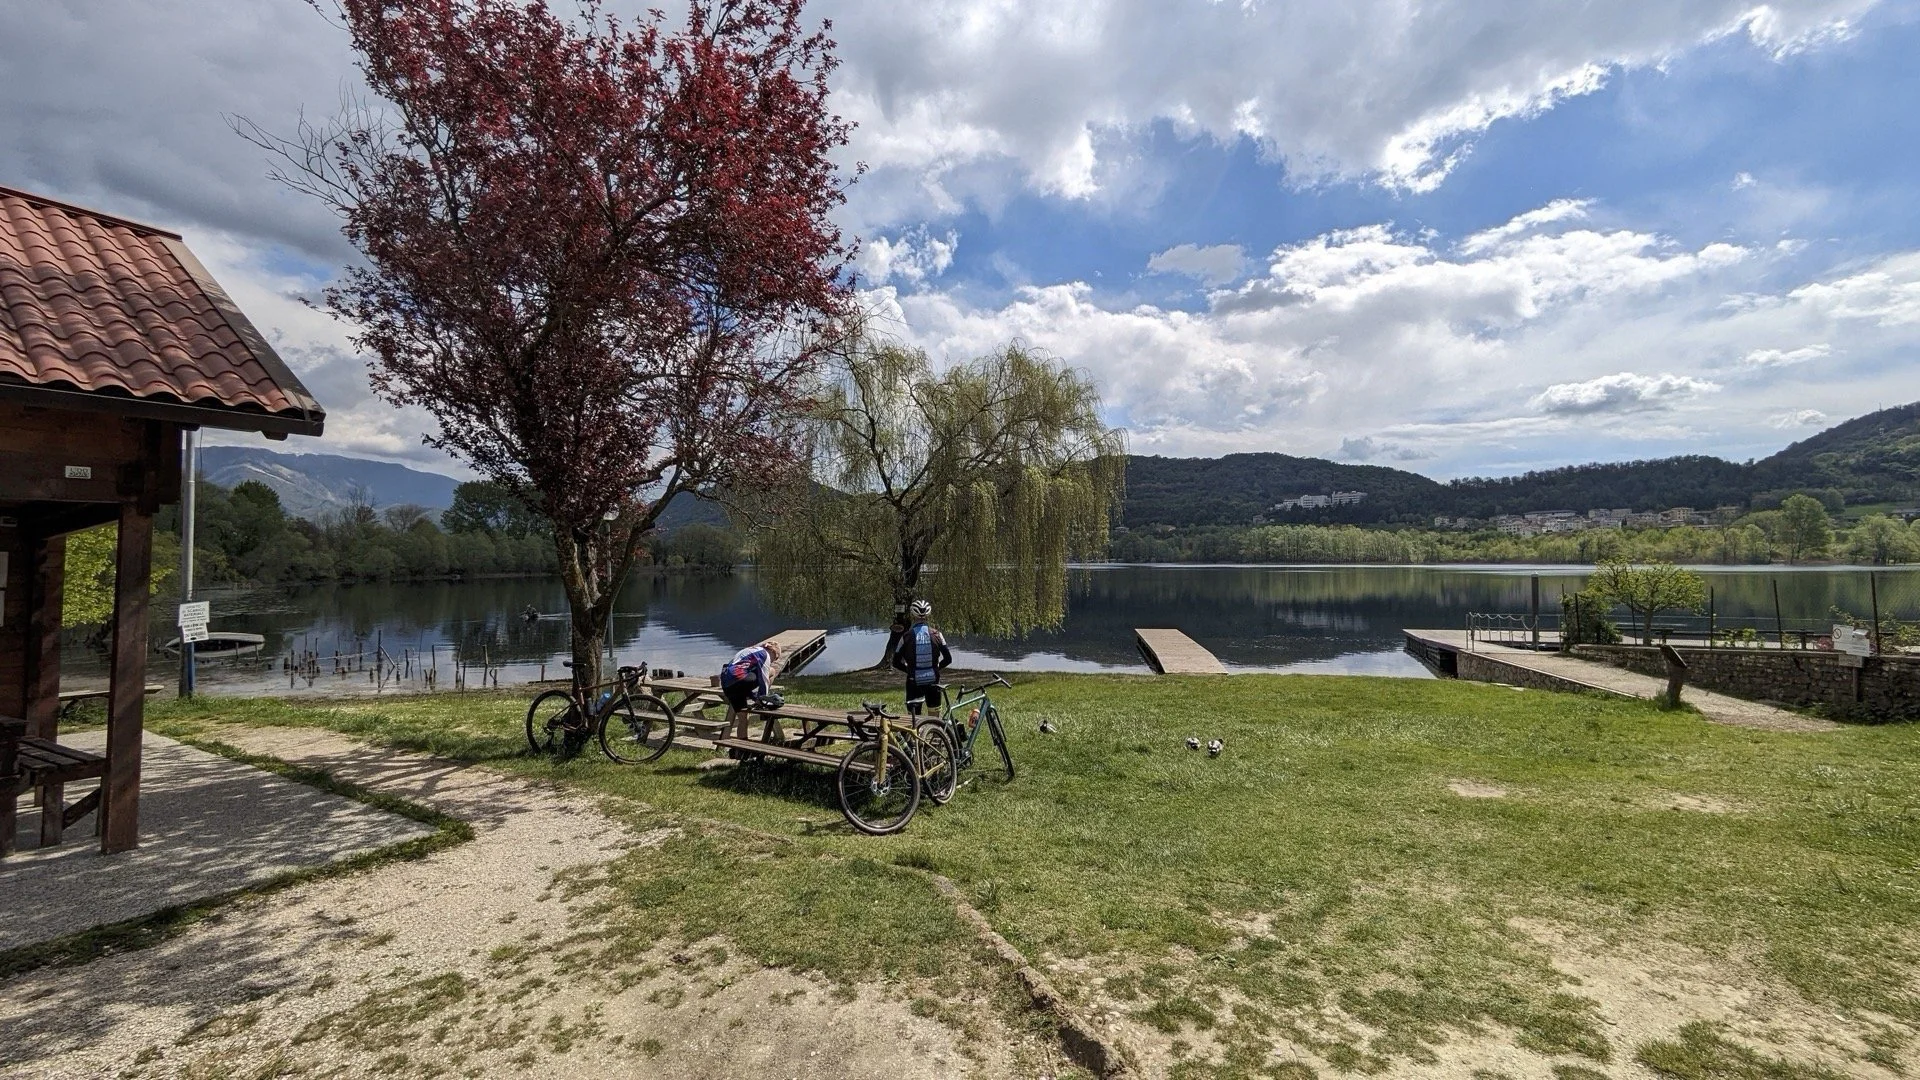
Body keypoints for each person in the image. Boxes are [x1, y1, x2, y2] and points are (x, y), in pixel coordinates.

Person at [891, 599, 952, 716]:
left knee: (914, 721)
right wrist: (936, 668)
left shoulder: (906, 637)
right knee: (934, 719)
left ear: (913, 616)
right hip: (933, 681)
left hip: (913, 682)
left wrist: (908, 670)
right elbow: (948, 659)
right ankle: (935, 733)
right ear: (928, 616)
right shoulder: (937, 635)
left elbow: (896, 662)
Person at [719, 640, 784, 719]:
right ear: (772, 651)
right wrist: (762, 698)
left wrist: (753, 697)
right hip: (739, 678)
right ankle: (762, 703)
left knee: (743, 719)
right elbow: (764, 679)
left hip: (727, 685)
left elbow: (741, 683)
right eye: (775, 658)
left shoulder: (749, 650)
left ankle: (759, 700)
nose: (773, 661)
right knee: (772, 671)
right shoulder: (765, 654)